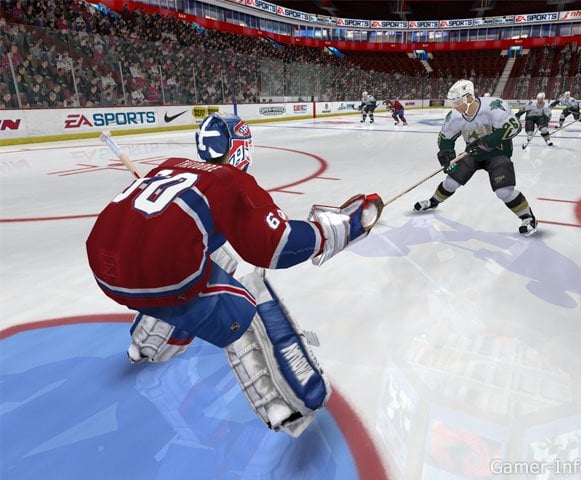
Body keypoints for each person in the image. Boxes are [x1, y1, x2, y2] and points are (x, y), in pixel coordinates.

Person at [86, 112, 383, 436]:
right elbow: (275, 247)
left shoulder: (170, 166)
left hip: (106, 270)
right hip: (165, 277)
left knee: (213, 261)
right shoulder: (231, 181)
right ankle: (284, 402)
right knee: (249, 298)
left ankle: (146, 345)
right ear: (240, 147)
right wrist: (338, 231)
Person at [413, 79, 537, 236]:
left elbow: (514, 126)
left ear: (469, 97)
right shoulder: (455, 116)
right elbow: (445, 137)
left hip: (497, 153)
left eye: (458, 102)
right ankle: (433, 202)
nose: (455, 106)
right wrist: (446, 153)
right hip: (472, 153)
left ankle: (528, 217)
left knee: (504, 192)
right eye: (453, 103)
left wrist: (488, 142)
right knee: (451, 182)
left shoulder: (493, 106)